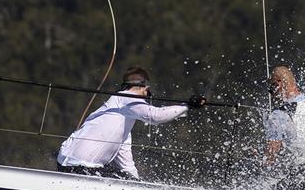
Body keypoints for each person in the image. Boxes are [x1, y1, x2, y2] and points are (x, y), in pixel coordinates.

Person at [56, 66, 206, 179]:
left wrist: (138, 185)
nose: (146, 99)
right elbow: (155, 116)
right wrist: (187, 105)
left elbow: (127, 166)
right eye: (147, 93)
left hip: (70, 165)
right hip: (77, 167)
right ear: (144, 88)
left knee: (125, 180)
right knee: (120, 184)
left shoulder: (120, 123)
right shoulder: (127, 98)